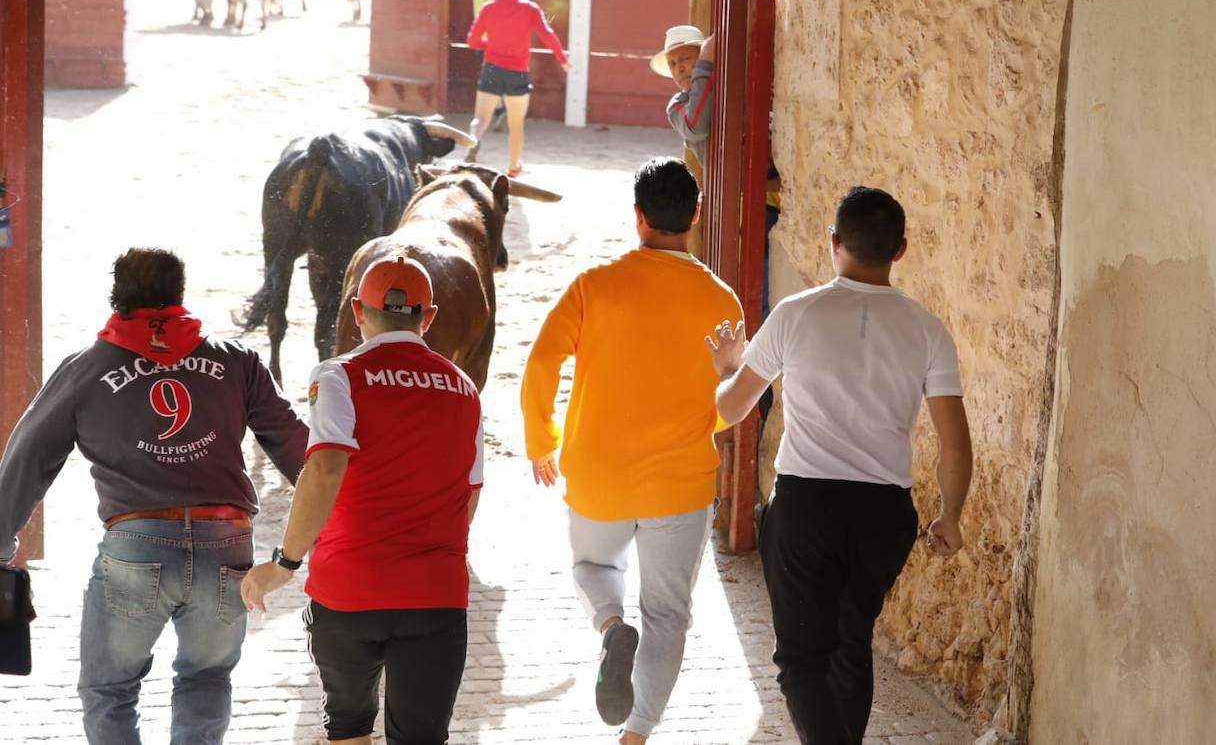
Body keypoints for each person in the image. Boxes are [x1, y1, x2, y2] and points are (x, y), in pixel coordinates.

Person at [0, 247, 308, 744]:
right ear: (180, 295)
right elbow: (301, 453)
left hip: (136, 549)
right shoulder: (238, 361)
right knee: (206, 682)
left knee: (109, 690)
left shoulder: (86, 369)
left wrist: (0, 541)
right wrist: (347, 519)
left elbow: (28, 456)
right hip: (226, 547)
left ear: (116, 298)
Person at [706, 187, 975, 745]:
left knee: (801, 660)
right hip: (883, 515)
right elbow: (955, 444)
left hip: (806, 509)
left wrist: (729, 368)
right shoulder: (928, 330)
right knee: (851, 643)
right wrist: (950, 516)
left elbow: (731, 407)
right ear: (900, 250)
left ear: (833, 243)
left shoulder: (795, 314)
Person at [522, 157, 743, 743]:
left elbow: (542, 362)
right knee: (669, 614)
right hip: (682, 481)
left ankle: (611, 623)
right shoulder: (723, 302)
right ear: (696, 216)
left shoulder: (594, 285)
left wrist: (542, 440)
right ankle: (637, 733)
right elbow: (729, 400)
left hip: (599, 473)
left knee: (594, 567)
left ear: (638, 216)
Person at [240, 256, 483, 745]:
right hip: (435, 593)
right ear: (428, 316)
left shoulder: (337, 376)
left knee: (348, 731)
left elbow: (325, 468)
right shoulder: (464, 388)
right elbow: (469, 495)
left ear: (357, 311)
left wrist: (285, 563)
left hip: (347, 591)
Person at [465, 0, 568, 177]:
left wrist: (492, 44)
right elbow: (547, 35)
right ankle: (513, 167)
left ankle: (474, 140)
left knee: (480, 118)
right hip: (517, 72)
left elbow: (473, 41)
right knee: (516, 124)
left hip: (492, 69)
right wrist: (562, 59)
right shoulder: (530, 9)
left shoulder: (488, 8)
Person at [652, 25, 714, 164]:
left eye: (685, 58)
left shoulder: (723, 86)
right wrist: (704, 66)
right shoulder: (677, 105)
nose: (679, 69)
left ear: (702, 55)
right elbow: (697, 127)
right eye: (672, 64)